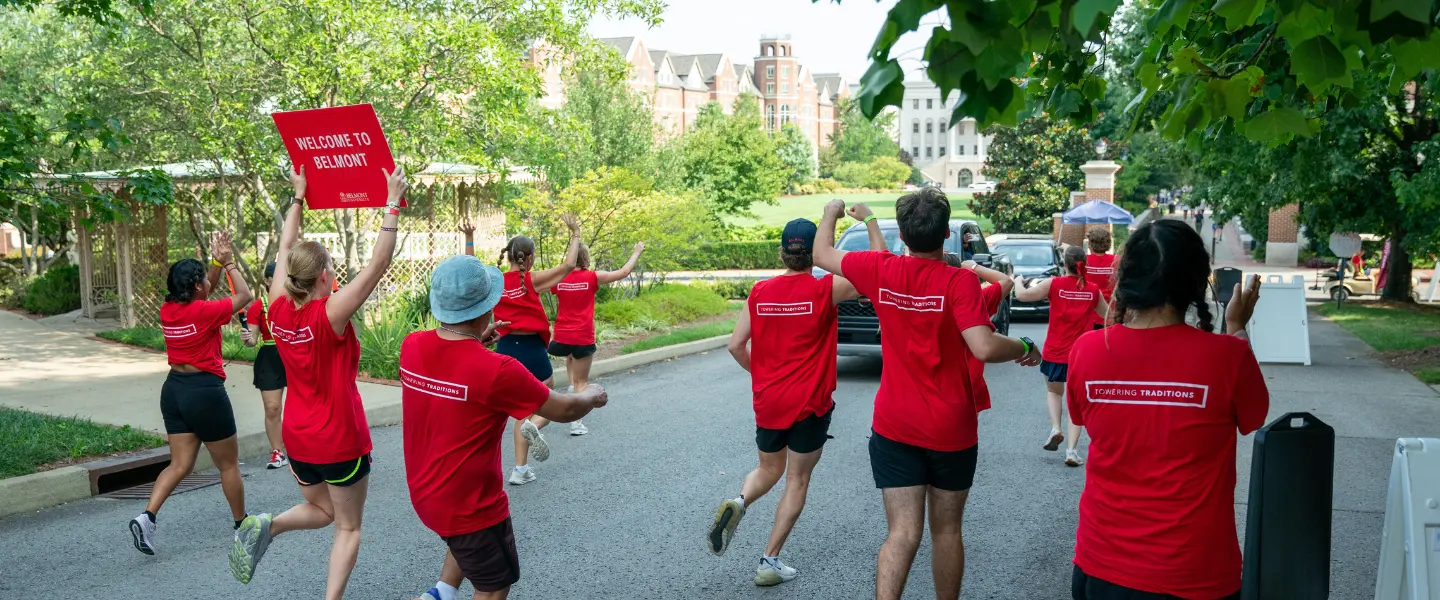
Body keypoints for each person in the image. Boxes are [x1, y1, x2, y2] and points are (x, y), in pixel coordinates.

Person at [812, 190, 1042, 600]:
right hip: (950, 429)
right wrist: (1025, 348)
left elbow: (822, 253)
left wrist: (832, 212)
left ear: (902, 233)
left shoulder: (882, 269)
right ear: (947, 232)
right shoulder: (961, 281)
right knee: (947, 530)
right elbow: (985, 347)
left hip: (895, 425)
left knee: (901, 534)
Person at [228, 164, 408, 600]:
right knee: (348, 526)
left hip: (299, 437)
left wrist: (298, 196)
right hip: (339, 438)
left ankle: (268, 525)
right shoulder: (330, 314)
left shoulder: (277, 306)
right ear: (326, 276)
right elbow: (379, 263)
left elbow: (286, 245)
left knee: (323, 510)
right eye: (331, 268)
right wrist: (392, 201)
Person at [1066, 219, 1267, 600]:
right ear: (1195, 284)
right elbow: (1254, 417)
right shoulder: (1228, 356)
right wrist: (1238, 327)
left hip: (1101, 568)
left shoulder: (1088, 350)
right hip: (1194, 572)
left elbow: (1081, 417)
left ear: (1126, 279)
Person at [401, 255, 611, 600]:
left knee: (465, 544)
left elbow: (455, 366)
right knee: (494, 584)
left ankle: (441, 592)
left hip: (426, 493)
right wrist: (591, 392)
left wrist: (475, 340)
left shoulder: (412, 346)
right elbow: (564, 408)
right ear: (488, 306)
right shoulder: (498, 371)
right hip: (473, 506)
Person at [708, 206, 884, 587]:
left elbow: (736, 346)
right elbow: (877, 268)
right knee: (796, 481)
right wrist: (862, 220)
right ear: (815, 254)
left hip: (769, 401)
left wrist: (765, 376)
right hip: (809, 404)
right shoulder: (826, 288)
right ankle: (768, 560)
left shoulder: (760, 291)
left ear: (782, 253)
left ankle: (739, 502)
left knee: (768, 469)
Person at [130, 233, 253, 555]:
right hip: (204, 392)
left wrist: (212, 264)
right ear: (197, 287)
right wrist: (227, 263)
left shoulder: (169, 309)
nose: (206, 284)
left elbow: (204, 291)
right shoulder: (204, 313)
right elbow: (245, 294)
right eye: (202, 281)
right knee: (228, 465)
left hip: (174, 391)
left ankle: (147, 517)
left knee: (180, 464)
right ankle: (243, 526)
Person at [475, 216, 582, 485]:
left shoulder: (495, 280)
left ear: (509, 256)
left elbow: (473, 269)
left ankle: (520, 470)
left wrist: (469, 238)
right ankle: (535, 425)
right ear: (530, 258)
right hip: (533, 348)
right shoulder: (531, 280)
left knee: (520, 410)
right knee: (546, 396)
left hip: (507, 347)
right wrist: (575, 233)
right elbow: (569, 264)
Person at [1014, 245, 1108, 467]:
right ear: (1084, 263)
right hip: (1081, 356)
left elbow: (1022, 295)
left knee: (1053, 392)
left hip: (1055, 352)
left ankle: (1056, 428)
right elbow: (1109, 317)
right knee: (1077, 403)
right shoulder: (1093, 289)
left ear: (1064, 264)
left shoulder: (1054, 284)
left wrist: (1018, 280)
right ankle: (1072, 451)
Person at [548, 240, 646, 436]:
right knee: (582, 383)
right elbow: (623, 272)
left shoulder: (559, 279)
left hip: (561, 337)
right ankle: (576, 422)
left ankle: (571, 387)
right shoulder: (592, 277)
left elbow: (536, 286)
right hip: (582, 336)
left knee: (570, 358)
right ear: (585, 258)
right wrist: (636, 252)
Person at [943, 254, 1013, 415]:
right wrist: (974, 267)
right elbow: (1006, 281)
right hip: (968, 384)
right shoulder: (977, 300)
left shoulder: (927, 301)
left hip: (934, 384)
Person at [240, 261, 287, 470]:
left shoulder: (295, 301)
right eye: (275, 277)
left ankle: (305, 447)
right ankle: (278, 451)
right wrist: (247, 337)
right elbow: (252, 341)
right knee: (272, 407)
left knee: (303, 404)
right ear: (267, 281)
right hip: (269, 357)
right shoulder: (258, 306)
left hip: (295, 354)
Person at [1083, 229, 1117, 330]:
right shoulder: (1117, 261)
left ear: (1090, 244)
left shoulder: (1083, 261)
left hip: (1089, 312)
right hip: (1111, 312)